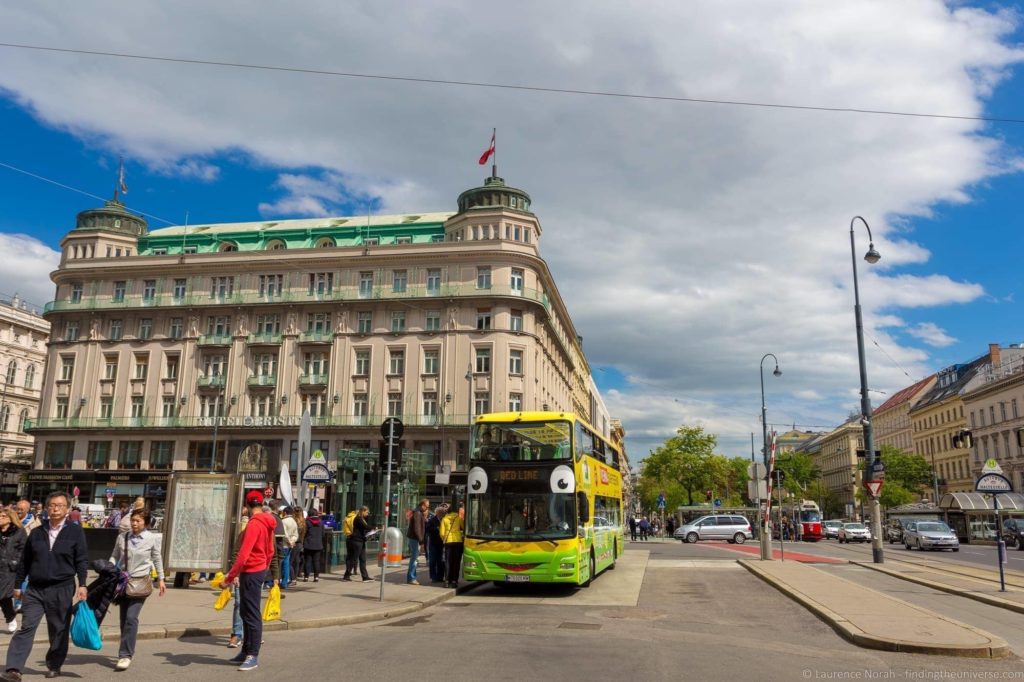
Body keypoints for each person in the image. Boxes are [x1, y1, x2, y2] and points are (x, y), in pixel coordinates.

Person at [2, 491, 89, 682]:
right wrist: (18, 586)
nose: (55, 509)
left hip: (62, 587)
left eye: (59, 505)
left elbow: (81, 560)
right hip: (35, 589)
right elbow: (25, 561)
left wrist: (82, 584)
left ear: (67, 509)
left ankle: (54, 664)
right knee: (27, 627)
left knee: (58, 628)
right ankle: (14, 669)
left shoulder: (75, 531)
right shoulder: (36, 532)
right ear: (46, 508)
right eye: (51, 505)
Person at [222, 491, 277, 672]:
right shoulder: (267, 522)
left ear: (246, 505)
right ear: (261, 503)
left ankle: (252, 655)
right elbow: (270, 551)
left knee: (251, 614)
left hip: (251, 571)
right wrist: (265, 567)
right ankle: (246, 651)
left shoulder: (254, 525)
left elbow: (243, 555)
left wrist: (229, 577)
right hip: (258, 569)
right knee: (247, 612)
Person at [108, 509, 166, 671]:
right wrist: (109, 569)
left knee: (131, 618)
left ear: (146, 523)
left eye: (138, 521)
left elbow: (157, 558)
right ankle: (126, 647)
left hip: (141, 583)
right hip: (123, 582)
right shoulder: (122, 537)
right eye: (133, 520)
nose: (134, 523)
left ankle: (125, 655)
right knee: (124, 619)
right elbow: (114, 556)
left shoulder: (151, 539)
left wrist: (161, 579)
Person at [0, 509, 26, 633]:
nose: (0, 517)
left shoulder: (19, 532)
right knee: (3, 598)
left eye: (3, 516)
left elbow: (23, 550)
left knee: (3, 596)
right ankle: (11, 618)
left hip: (9, 570)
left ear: (10, 518)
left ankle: (10, 618)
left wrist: (14, 562)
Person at [343, 507, 373, 582]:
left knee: (363, 559)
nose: (368, 514)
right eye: (367, 512)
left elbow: (365, 526)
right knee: (353, 559)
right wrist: (375, 528)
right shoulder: (358, 519)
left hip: (361, 541)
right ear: (363, 511)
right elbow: (365, 527)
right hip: (356, 541)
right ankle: (346, 575)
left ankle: (365, 577)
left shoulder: (362, 518)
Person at [440, 501, 464, 589]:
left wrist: (445, 539)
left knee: (448, 561)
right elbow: (463, 527)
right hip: (457, 541)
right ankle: (454, 581)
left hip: (448, 542)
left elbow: (442, 533)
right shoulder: (458, 518)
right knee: (456, 562)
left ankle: (447, 581)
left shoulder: (444, 519)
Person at [406, 499, 428, 585]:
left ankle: (411, 577)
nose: (427, 508)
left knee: (414, 559)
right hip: (415, 539)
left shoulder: (418, 512)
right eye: (426, 506)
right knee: (414, 559)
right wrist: (421, 540)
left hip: (414, 538)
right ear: (422, 505)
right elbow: (417, 528)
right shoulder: (418, 513)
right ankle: (411, 578)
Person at [425, 504, 446, 584]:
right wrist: (436, 529)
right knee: (433, 561)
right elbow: (428, 529)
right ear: (437, 513)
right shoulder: (432, 520)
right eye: (441, 513)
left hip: (442, 543)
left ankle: (440, 577)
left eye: (443, 513)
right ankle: (433, 577)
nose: (442, 515)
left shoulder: (444, 520)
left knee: (441, 561)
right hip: (433, 543)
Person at [302, 510, 323, 582]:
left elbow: (305, 533)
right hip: (318, 544)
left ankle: (306, 577)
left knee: (308, 561)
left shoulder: (307, 522)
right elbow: (323, 534)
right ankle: (316, 577)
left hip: (308, 544)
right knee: (316, 561)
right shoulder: (321, 522)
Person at [280, 506, 298, 588]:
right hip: (290, 545)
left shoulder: (283, 521)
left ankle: (282, 582)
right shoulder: (294, 521)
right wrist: (292, 541)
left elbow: (284, 534)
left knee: (281, 563)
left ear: (285, 513)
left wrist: (289, 541)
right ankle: (285, 582)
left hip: (284, 544)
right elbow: (295, 534)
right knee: (286, 563)